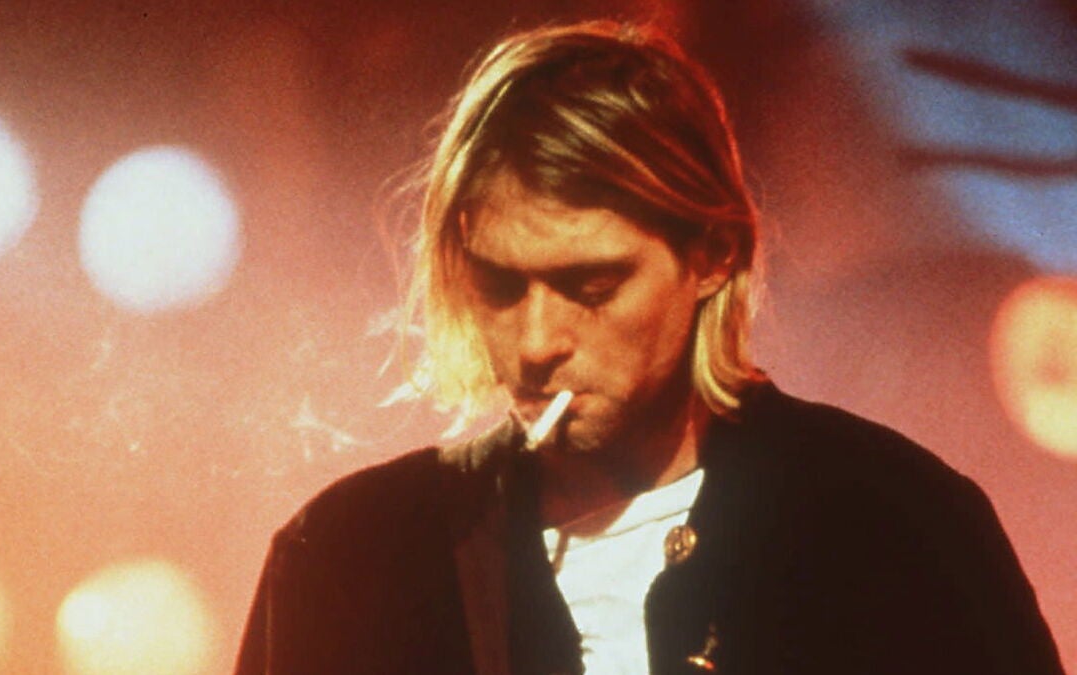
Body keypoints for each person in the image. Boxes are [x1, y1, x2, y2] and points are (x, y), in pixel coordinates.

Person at [234, 20, 1064, 675]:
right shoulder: (347, 555)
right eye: (498, 285)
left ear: (714, 255)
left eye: (591, 286)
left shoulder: (898, 526)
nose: (534, 342)